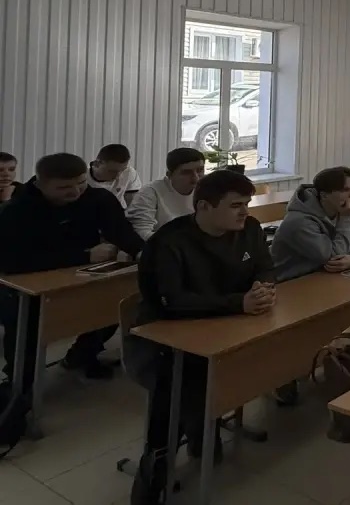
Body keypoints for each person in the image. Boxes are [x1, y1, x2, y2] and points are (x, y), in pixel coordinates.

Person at [127, 169, 276, 505]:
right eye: (236, 205)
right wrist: (238, 303)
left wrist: (263, 289)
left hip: (226, 326)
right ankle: (157, 464)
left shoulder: (250, 229)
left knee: (248, 365)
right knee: (181, 388)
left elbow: (265, 266)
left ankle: (201, 427)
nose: (245, 212)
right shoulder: (169, 242)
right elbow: (172, 301)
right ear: (205, 207)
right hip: (167, 338)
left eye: (246, 204)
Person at [0, 153, 143, 385]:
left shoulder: (98, 198)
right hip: (27, 284)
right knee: (25, 330)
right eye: (64, 187)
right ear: (40, 184)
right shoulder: (16, 210)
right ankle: (18, 386)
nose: (75, 192)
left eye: (81, 183)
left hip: (83, 276)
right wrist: (84, 255)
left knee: (113, 306)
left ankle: (81, 357)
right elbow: (12, 262)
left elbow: (121, 232)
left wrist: (141, 252)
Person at [271, 166, 350, 281]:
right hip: (291, 282)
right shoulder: (299, 222)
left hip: (325, 277)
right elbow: (334, 258)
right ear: (324, 195)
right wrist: (345, 218)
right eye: (345, 190)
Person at [127, 147, 206, 241]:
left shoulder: (207, 191)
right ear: (169, 175)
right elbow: (141, 231)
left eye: (200, 170)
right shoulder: (151, 192)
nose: (196, 178)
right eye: (186, 173)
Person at [87, 143, 143, 207]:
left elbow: (134, 206)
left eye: (122, 170)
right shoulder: (83, 176)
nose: (117, 176)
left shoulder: (129, 172)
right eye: (112, 171)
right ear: (97, 164)